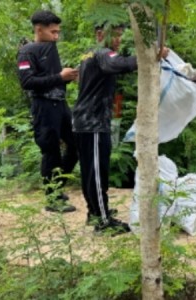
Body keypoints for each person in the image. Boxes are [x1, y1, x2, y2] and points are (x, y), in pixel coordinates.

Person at [73, 23, 169, 234]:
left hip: (86, 122)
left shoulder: (89, 55)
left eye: (119, 35)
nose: (118, 40)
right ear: (99, 34)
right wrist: (150, 56)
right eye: (114, 35)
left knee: (91, 172)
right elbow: (115, 65)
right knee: (98, 173)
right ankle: (103, 223)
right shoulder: (102, 53)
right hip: (93, 123)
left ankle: (96, 213)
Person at [17, 10, 79, 213]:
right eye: (53, 32)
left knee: (75, 145)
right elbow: (27, 82)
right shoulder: (27, 51)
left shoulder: (51, 47)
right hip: (43, 106)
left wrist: (68, 77)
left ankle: (58, 186)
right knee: (50, 150)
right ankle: (52, 198)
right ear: (39, 29)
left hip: (60, 104)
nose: (56, 36)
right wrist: (60, 77)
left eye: (58, 32)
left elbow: (54, 76)